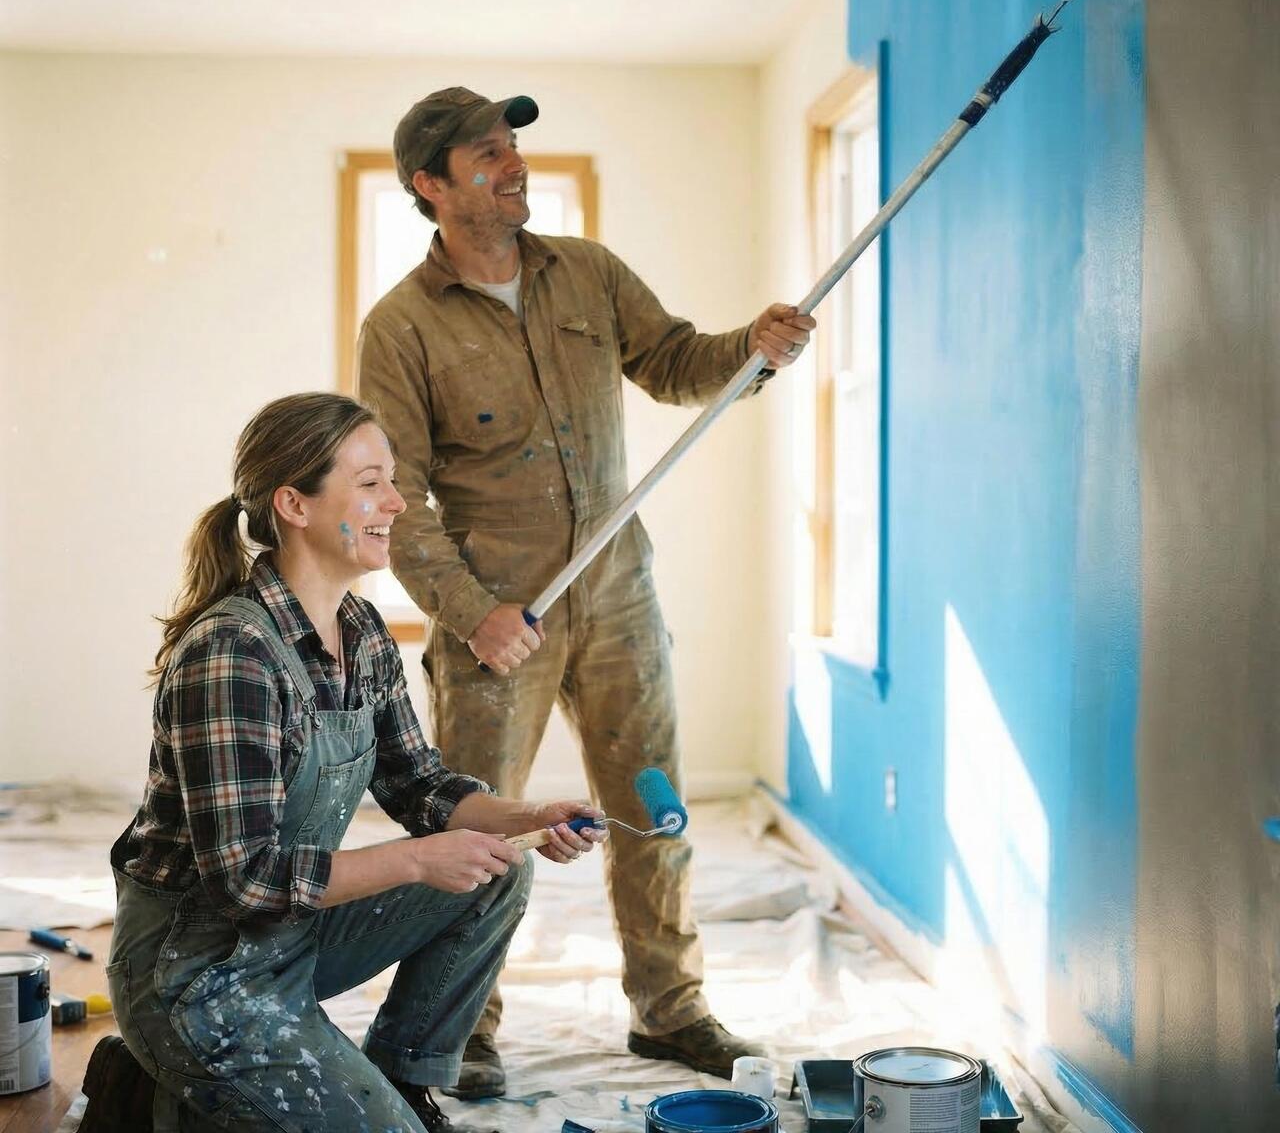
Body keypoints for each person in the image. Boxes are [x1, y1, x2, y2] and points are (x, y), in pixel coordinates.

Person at [355, 87, 815, 1095]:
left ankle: (670, 1006)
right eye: (486, 153)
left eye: (513, 146)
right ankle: (460, 1024)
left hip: (616, 597)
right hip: (493, 624)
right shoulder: (400, 325)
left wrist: (751, 346)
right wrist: (472, 610)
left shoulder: (589, 274)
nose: (513, 163)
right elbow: (397, 496)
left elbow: (674, 361)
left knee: (653, 810)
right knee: (478, 831)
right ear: (430, 184)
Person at [81, 392, 603, 1133]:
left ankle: (401, 1083)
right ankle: (159, 1072)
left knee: (498, 869)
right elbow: (247, 879)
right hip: (195, 975)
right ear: (294, 503)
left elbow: (417, 783)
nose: (396, 500)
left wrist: (529, 818)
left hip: (290, 944)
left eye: (391, 480)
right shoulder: (234, 654)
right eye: (370, 483)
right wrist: (419, 860)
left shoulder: (358, 628)